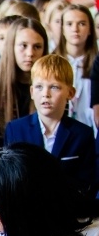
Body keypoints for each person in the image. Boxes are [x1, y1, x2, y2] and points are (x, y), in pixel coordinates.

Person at [5, 54, 96, 195]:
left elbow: (86, 183)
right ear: (32, 92)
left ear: (70, 93)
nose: (45, 94)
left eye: (54, 87)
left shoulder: (83, 134)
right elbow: (10, 178)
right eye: (39, 87)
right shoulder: (15, 129)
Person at [0, 17, 48, 148]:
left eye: (37, 47)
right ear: (11, 46)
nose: (30, 53)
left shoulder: (51, 84)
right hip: (4, 161)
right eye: (23, 45)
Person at [55, 4, 97, 132]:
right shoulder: (52, 62)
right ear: (62, 28)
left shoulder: (97, 64)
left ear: (90, 29)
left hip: (91, 128)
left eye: (82, 24)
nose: (75, 29)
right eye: (69, 24)